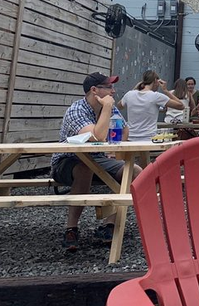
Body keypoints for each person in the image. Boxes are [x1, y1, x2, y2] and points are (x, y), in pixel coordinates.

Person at [53, 72, 135, 252]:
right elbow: (96, 137)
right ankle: (71, 228)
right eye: (109, 87)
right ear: (94, 90)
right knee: (85, 169)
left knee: (134, 171)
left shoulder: (110, 107)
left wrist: (115, 149)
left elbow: (125, 131)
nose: (113, 91)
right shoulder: (77, 110)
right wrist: (106, 109)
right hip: (68, 159)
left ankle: (109, 225)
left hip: (98, 158)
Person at [118, 71, 184, 141]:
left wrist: (134, 89)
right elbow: (181, 106)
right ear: (155, 81)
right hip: (148, 138)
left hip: (130, 136)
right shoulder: (156, 96)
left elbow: (120, 106)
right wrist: (165, 90)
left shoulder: (129, 94)